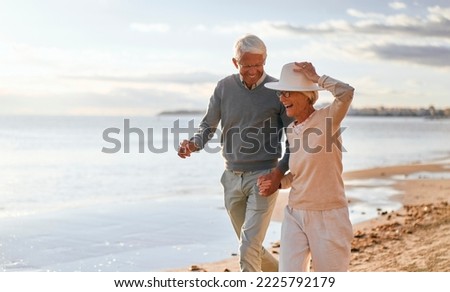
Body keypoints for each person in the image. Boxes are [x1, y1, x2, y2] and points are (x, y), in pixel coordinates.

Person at [177, 34, 293, 272]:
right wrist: (193, 144)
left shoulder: (278, 91)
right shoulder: (224, 87)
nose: (252, 71)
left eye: (258, 65)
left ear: (265, 60)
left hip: (263, 176)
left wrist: (279, 174)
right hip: (231, 177)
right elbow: (208, 126)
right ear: (235, 62)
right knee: (250, 245)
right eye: (246, 65)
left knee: (248, 246)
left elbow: (294, 138)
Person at [258, 61, 355, 272]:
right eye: (281, 94)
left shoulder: (328, 118)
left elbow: (346, 93)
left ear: (307, 95)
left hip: (329, 215)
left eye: (288, 93)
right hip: (295, 212)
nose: (282, 99)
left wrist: (317, 78)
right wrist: (277, 183)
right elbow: (300, 173)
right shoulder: (291, 130)